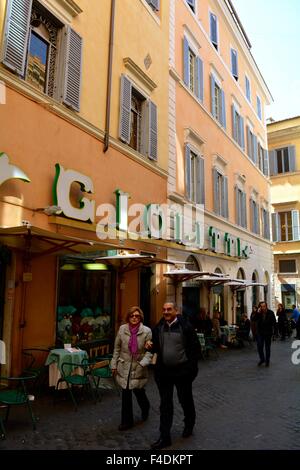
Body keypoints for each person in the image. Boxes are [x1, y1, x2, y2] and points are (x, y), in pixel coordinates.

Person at [149, 302, 200, 450]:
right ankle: (164, 436)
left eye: (169, 309)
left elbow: (194, 350)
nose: (166, 312)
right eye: (164, 309)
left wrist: (190, 371)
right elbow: (155, 347)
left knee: (185, 400)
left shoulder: (186, 327)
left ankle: (189, 424)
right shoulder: (159, 327)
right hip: (164, 372)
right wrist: (150, 346)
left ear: (176, 311)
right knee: (165, 404)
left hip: (182, 372)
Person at [110, 306, 152, 431]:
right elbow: (117, 348)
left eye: (137, 316)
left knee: (139, 392)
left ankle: (146, 407)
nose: (134, 318)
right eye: (132, 316)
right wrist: (113, 364)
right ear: (128, 317)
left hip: (138, 367)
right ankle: (126, 422)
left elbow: (149, 352)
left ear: (140, 318)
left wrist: (142, 364)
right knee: (126, 395)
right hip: (124, 366)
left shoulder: (147, 331)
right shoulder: (122, 329)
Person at [256, 301, 276, 367]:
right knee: (259, 346)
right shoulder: (259, 313)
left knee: (267, 348)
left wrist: (274, 333)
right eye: (261, 306)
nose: (263, 308)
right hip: (260, 333)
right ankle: (262, 359)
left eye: (264, 306)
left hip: (268, 333)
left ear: (266, 306)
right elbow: (253, 319)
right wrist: (257, 313)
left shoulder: (271, 313)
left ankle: (267, 361)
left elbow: (274, 323)